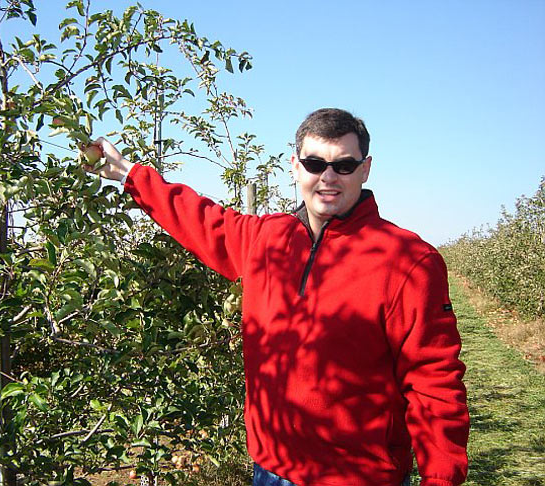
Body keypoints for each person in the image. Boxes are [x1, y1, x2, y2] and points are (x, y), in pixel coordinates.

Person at [85, 108, 470, 486]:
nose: (328, 177)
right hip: (271, 469)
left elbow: (433, 379)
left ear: (365, 169)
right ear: (295, 167)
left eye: (344, 166)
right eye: (315, 163)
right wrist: (126, 173)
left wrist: (441, 475)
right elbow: (197, 217)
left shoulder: (408, 260)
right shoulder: (266, 239)